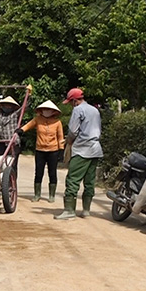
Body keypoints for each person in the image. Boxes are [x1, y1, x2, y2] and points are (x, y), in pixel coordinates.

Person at [54, 88, 103, 219]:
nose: (71, 105)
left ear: (75, 101)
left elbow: (73, 131)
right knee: (89, 180)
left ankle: (69, 210)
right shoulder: (95, 110)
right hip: (95, 149)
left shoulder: (78, 110)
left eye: (71, 102)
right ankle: (86, 210)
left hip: (82, 149)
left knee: (72, 180)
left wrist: (68, 142)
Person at [15, 100, 65, 203]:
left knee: (52, 172)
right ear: (41, 111)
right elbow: (28, 125)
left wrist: (61, 150)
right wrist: (21, 130)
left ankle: (51, 195)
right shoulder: (37, 120)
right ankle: (37, 195)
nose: (47, 111)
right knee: (38, 173)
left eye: (49, 110)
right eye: (45, 109)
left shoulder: (57, 122)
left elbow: (60, 137)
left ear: (53, 112)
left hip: (53, 150)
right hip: (40, 150)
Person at [0, 93, 24, 173]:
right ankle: (1, 182)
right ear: (2, 106)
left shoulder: (15, 114)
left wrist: (29, 96)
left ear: (13, 107)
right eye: (5, 105)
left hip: (13, 143)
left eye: (9, 106)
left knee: (12, 165)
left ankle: (12, 183)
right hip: (1, 142)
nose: (7, 107)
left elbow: (24, 107)